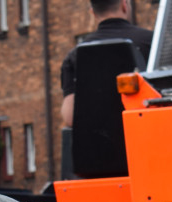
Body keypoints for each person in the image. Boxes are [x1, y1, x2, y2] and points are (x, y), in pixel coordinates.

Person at [60, 0, 153, 128]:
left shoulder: (76, 55)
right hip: (146, 135)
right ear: (124, 5)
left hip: (100, 144)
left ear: (93, 13)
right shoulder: (152, 42)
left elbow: (70, 117)